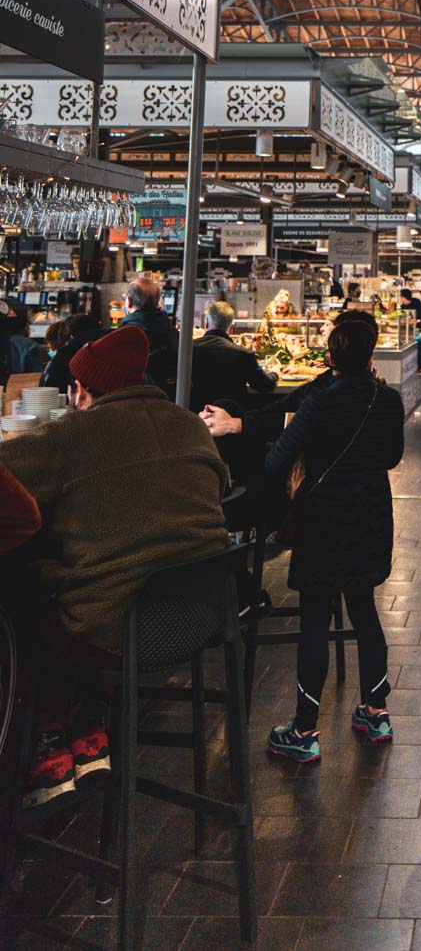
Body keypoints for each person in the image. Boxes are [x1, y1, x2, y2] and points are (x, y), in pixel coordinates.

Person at [3, 325, 229, 807]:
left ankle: (48, 739)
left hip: (115, 632)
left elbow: (8, 468)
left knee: (29, 593)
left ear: (82, 390)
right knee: (90, 575)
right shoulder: (190, 424)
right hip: (201, 617)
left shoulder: (72, 434)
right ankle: (90, 724)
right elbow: (221, 486)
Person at [262, 313, 404, 761]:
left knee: (316, 622)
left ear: (330, 355)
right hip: (370, 517)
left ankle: (304, 730)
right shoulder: (388, 400)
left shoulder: (319, 403)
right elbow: (393, 457)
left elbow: (275, 462)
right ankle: (376, 711)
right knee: (364, 611)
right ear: (372, 352)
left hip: (322, 521)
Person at [189, 300, 277, 413]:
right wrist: (275, 373)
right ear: (231, 327)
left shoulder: (188, 350)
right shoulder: (243, 354)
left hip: (197, 417)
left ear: (206, 323)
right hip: (232, 417)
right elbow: (264, 385)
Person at [120, 276, 177, 354]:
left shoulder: (126, 334)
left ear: (129, 302)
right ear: (158, 303)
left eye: (124, 298)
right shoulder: (170, 328)